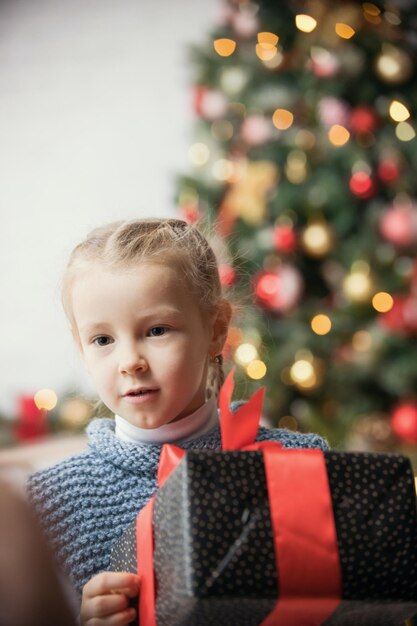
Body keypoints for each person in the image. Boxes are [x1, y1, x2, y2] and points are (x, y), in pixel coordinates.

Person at [27, 218, 329, 626]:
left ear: (216, 329)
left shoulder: (299, 462)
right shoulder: (52, 503)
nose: (130, 362)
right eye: (102, 340)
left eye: (156, 330)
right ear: (80, 347)